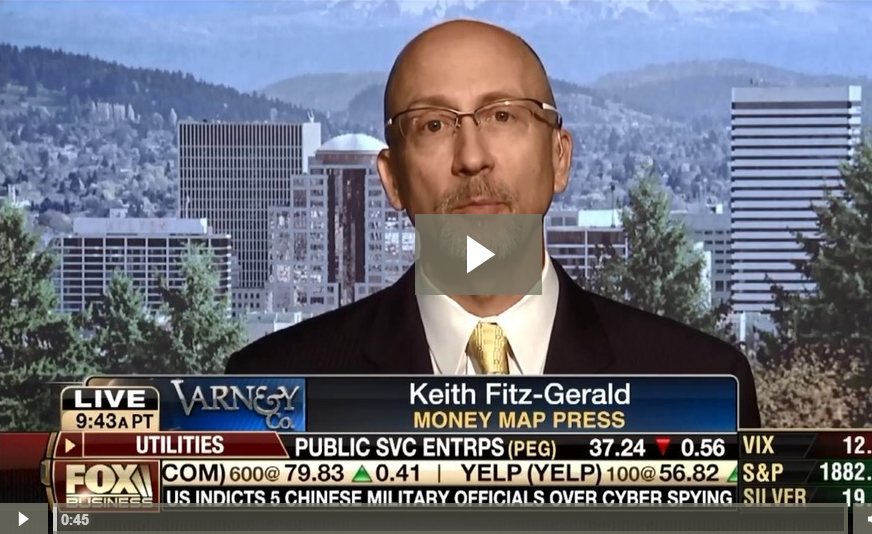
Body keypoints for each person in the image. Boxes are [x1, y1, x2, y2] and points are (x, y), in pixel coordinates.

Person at [226, 19, 762, 428]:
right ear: (393, 180)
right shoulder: (272, 390)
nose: (472, 157)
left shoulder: (700, 384)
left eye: (503, 116)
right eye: (433, 125)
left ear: (559, 157)